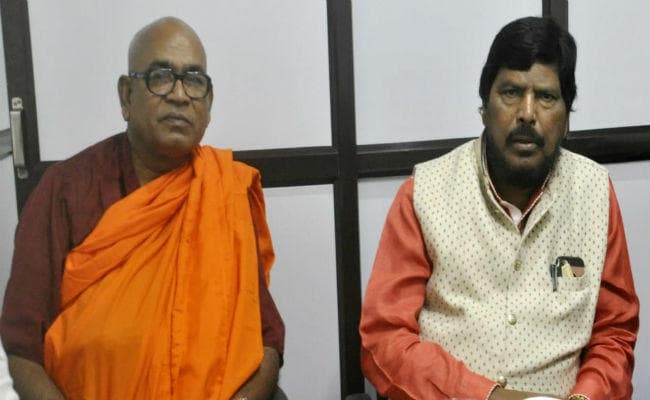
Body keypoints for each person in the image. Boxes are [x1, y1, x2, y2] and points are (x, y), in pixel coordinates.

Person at [0, 17, 284, 400]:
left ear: (209, 103)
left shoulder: (224, 190)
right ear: (126, 96)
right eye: (160, 76)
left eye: (194, 80)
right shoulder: (66, 190)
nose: (180, 95)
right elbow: (22, 347)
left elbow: (266, 338)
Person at [359, 16, 639, 400]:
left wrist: (584, 398)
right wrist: (490, 397)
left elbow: (615, 333)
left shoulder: (594, 193)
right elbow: (384, 339)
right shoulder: (423, 193)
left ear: (566, 117)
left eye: (546, 97)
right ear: (484, 106)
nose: (527, 113)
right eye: (511, 92)